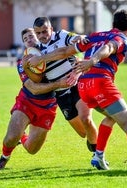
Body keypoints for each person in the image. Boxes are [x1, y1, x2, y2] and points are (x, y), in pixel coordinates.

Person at [29, 9, 127, 174]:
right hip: (100, 83)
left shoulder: (96, 35)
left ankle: (98, 155)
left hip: (84, 86)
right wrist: (93, 60)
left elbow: (64, 51)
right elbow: (109, 47)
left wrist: (41, 58)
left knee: (111, 116)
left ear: (112, 24)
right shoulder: (123, 38)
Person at [0, 28, 72, 170]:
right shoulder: (22, 63)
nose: (28, 39)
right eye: (25, 39)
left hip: (48, 106)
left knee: (32, 149)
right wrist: (58, 84)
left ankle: (22, 137)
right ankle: (5, 157)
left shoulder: (53, 54)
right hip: (27, 101)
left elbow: (72, 58)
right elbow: (33, 88)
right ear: (24, 45)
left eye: (31, 36)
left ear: (40, 37)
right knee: (11, 137)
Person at [32, 17, 98, 152]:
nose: (42, 36)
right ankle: (94, 144)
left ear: (51, 29)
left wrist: (78, 38)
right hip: (61, 94)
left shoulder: (61, 36)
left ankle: (98, 154)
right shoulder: (35, 52)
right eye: (38, 33)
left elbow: (76, 38)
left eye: (45, 32)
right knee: (83, 132)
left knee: (86, 119)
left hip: (77, 84)